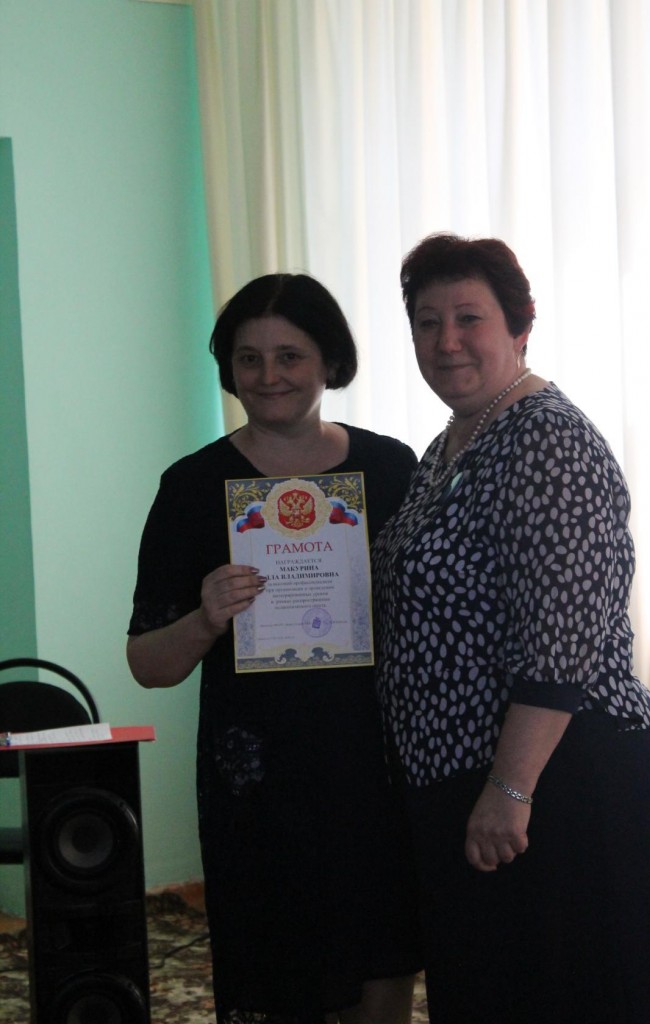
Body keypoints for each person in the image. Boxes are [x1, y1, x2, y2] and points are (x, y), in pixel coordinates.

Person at [371, 233, 650, 1024]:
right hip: (486, 780)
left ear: (520, 326)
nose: (445, 340)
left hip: (561, 782)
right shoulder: (453, 443)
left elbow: (558, 640)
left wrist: (509, 791)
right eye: (427, 322)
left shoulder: (544, 437)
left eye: (467, 318)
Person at [126, 273, 421, 1024]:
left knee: (381, 964)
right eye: (248, 359)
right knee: (274, 978)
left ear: (330, 361)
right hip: (254, 790)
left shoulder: (392, 471)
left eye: (290, 356)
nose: (268, 376)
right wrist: (206, 618)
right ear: (228, 369)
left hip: (373, 771)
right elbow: (148, 665)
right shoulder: (191, 487)